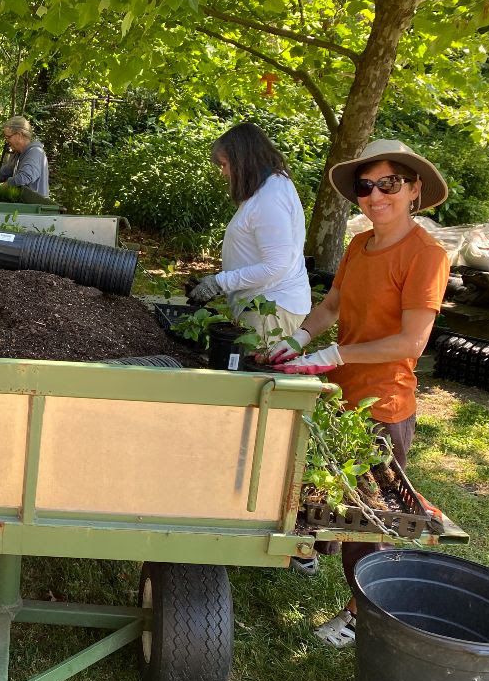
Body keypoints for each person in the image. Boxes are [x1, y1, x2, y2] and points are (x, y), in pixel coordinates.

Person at [267, 139, 450, 648]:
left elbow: (412, 341)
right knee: (319, 487)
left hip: (383, 404)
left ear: (414, 189)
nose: (375, 196)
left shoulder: (426, 256)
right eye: (366, 187)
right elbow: (331, 308)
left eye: (388, 184)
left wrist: (335, 356)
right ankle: (306, 551)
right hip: (339, 396)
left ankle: (361, 612)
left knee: (370, 516)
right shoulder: (357, 247)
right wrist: (296, 341)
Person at [186, 123, 311, 346]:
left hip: (271, 308)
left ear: (243, 159)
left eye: (225, 164)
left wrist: (219, 282)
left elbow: (276, 266)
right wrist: (220, 280)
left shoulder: (270, 199)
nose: (223, 172)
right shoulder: (267, 190)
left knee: (251, 377)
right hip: (262, 303)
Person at [0, 116, 49, 196]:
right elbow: (7, 171)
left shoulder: (35, 152)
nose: (7, 141)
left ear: (19, 135)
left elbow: (25, 177)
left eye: (8, 137)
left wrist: (5, 186)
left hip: (34, 206)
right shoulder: (18, 153)